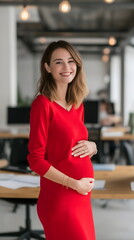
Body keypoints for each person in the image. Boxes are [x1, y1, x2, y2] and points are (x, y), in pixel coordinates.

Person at [27, 40, 97, 240]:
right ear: (47, 67)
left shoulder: (77, 104)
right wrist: (73, 183)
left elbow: (73, 143)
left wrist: (93, 146)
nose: (66, 67)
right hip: (60, 197)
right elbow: (36, 160)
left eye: (71, 61)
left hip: (81, 196)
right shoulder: (43, 105)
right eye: (58, 62)